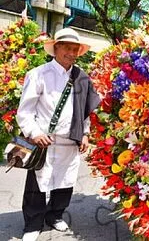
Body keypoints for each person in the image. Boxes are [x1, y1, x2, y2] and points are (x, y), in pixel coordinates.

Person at [16, 28, 101, 241]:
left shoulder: (81, 77)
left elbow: (84, 112)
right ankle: (32, 225)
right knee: (37, 184)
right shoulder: (38, 74)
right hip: (44, 141)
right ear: (56, 48)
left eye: (75, 49)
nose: (71, 53)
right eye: (67, 48)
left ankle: (55, 215)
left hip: (70, 142)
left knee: (65, 182)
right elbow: (25, 111)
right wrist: (34, 133)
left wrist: (86, 134)